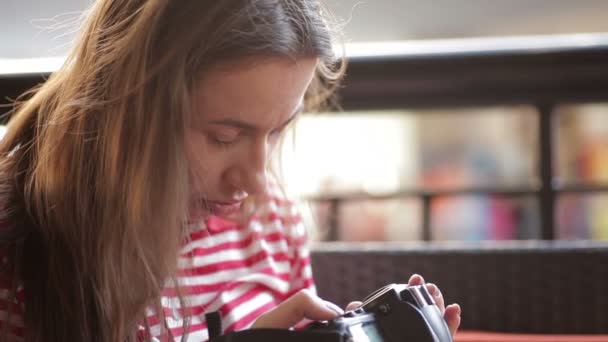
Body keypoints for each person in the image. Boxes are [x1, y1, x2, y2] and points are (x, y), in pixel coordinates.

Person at [0, 0, 461, 341]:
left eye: (278, 131)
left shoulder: (271, 218)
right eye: (224, 137)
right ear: (127, 110)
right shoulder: (21, 244)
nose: (258, 180)